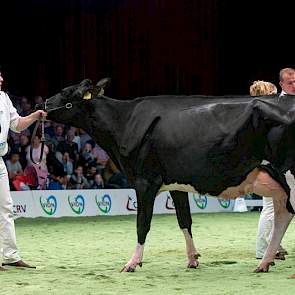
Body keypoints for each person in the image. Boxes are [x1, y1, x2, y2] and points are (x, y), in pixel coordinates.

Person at [0, 68, 47, 271]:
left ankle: (10, 256)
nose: (2, 78)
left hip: (0, 160)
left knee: (6, 208)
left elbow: (17, 125)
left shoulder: (3, 98)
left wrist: (35, 116)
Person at [249, 80, 288, 260]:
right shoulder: (264, 116)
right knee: (271, 207)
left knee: (276, 206)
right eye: (273, 92)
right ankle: (264, 248)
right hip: (267, 166)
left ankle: (273, 245)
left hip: (268, 164)